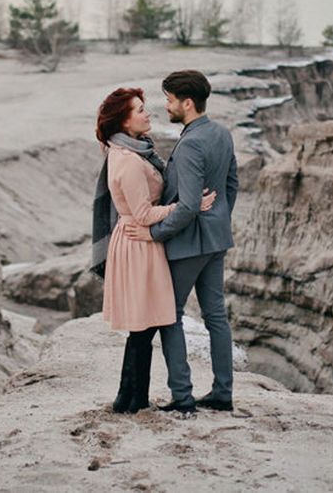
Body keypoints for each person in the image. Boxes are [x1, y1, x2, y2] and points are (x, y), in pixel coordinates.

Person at [90, 87, 216, 414]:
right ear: (124, 120)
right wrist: (185, 206)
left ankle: (131, 399)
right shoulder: (129, 160)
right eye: (140, 110)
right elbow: (143, 214)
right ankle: (128, 400)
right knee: (144, 326)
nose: (148, 114)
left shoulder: (134, 151)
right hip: (139, 242)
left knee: (144, 327)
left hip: (139, 239)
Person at [125, 70, 238, 413]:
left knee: (168, 315)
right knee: (216, 316)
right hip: (216, 238)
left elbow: (188, 204)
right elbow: (231, 184)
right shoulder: (220, 133)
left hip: (188, 244)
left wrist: (154, 233)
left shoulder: (190, 144)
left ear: (187, 103)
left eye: (170, 100)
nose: (166, 106)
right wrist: (218, 217)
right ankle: (222, 393)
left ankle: (183, 397)